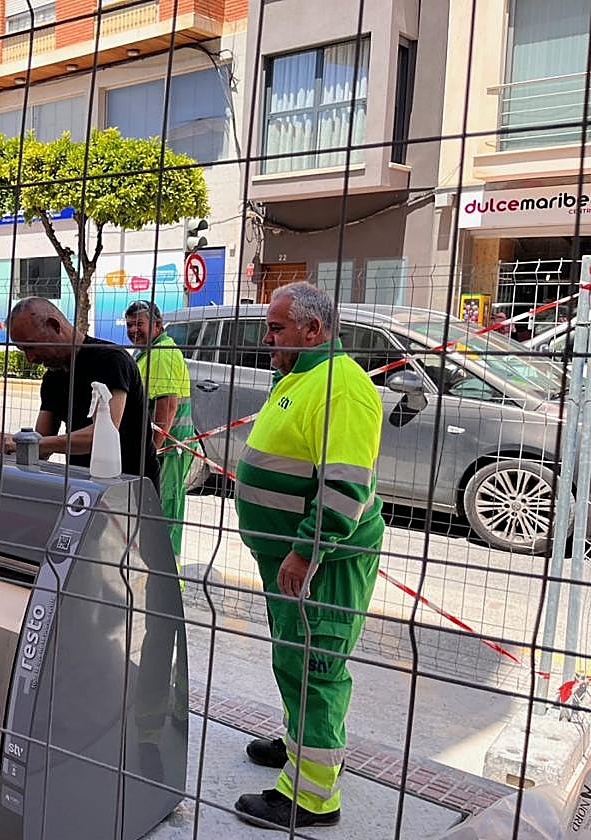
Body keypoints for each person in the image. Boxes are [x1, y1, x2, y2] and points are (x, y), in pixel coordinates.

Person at [232, 282, 384, 830]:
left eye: (276, 328)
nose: (265, 337)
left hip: (321, 563)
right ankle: (299, 746)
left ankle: (312, 796)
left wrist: (302, 552)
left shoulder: (341, 388)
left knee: (316, 667)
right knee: (294, 658)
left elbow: (344, 489)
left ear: (314, 329)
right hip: (291, 561)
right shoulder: (302, 376)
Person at [0, 297, 159, 488]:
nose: (30, 358)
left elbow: (102, 435)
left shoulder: (111, 361)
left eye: (31, 346)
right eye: (22, 350)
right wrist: (11, 447)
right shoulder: (53, 378)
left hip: (131, 486)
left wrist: (30, 443)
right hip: (84, 485)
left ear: (55, 326)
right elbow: (42, 444)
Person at [125, 300, 196, 561]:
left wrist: (150, 453)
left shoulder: (162, 353)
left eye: (139, 324)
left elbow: (165, 409)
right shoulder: (147, 352)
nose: (134, 330)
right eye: (130, 324)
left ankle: (164, 575)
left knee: (163, 513)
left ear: (157, 325)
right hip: (163, 451)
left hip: (167, 452)